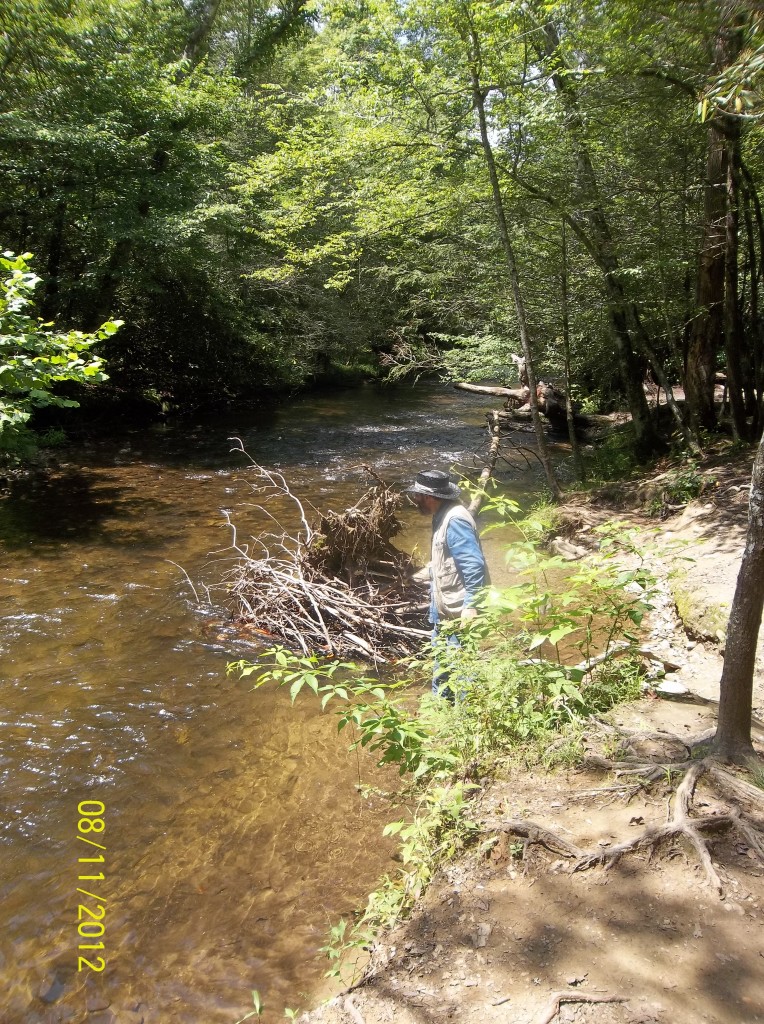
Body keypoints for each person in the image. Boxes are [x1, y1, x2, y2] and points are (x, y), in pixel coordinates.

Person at [407, 469, 488, 698]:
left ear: (429, 497)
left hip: (459, 611)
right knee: (442, 669)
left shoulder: (455, 520)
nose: (414, 500)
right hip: (444, 610)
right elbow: (445, 560)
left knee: (461, 672)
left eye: (417, 495)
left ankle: (465, 715)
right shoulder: (441, 515)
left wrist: (471, 606)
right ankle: (440, 711)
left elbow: (473, 565)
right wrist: (417, 576)